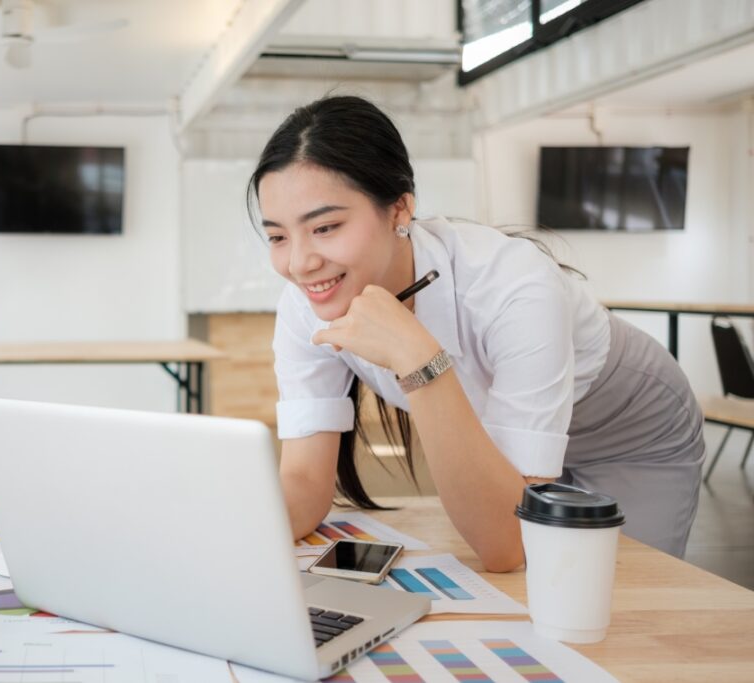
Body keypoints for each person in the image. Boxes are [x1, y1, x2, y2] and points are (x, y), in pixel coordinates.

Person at [248, 95, 705, 569]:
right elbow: (303, 483)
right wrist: (214, 536)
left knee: (616, 600)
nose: (299, 263)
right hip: (509, 443)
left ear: (400, 208)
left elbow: (505, 543)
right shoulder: (305, 306)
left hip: (627, 431)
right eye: (278, 237)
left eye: (325, 227)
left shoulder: (514, 285)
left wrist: (418, 360)